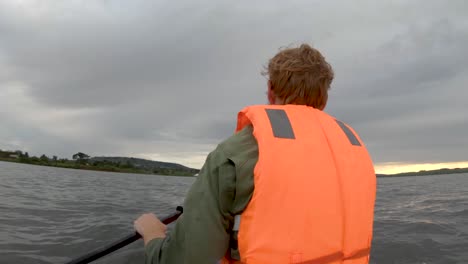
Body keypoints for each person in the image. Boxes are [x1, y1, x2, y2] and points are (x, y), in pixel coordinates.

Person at [134, 44, 377, 264]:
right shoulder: (356, 152)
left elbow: (187, 259)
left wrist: (153, 235)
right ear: (323, 98)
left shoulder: (237, 152)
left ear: (271, 90)